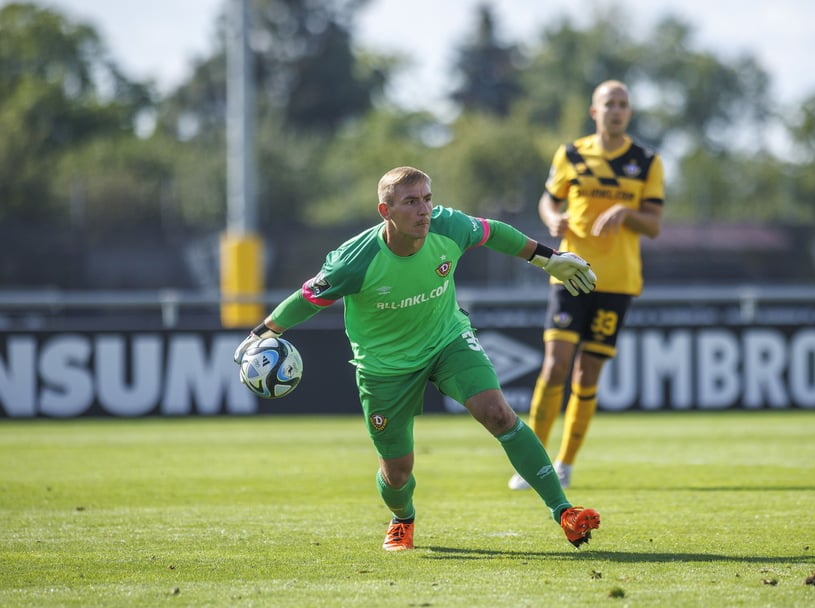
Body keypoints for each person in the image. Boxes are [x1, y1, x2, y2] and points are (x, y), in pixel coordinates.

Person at [234, 166, 601, 551]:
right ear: (385, 211)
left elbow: (494, 231)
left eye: (427, 199)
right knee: (396, 474)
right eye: (411, 202)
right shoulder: (353, 261)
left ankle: (564, 512)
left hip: (447, 340)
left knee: (497, 413)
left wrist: (547, 258)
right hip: (384, 369)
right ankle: (402, 518)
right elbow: (307, 299)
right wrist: (263, 332)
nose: (424, 210)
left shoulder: (448, 226)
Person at [508, 79, 665, 491]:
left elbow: (653, 225)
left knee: (586, 373)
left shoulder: (646, 161)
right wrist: (551, 218)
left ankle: (565, 463)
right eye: (609, 103)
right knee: (555, 364)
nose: (616, 110)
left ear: (628, 113)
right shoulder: (572, 153)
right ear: (594, 111)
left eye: (623, 104)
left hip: (617, 283)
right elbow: (549, 199)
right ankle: (533, 460)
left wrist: (623, 213)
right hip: (571, 272)